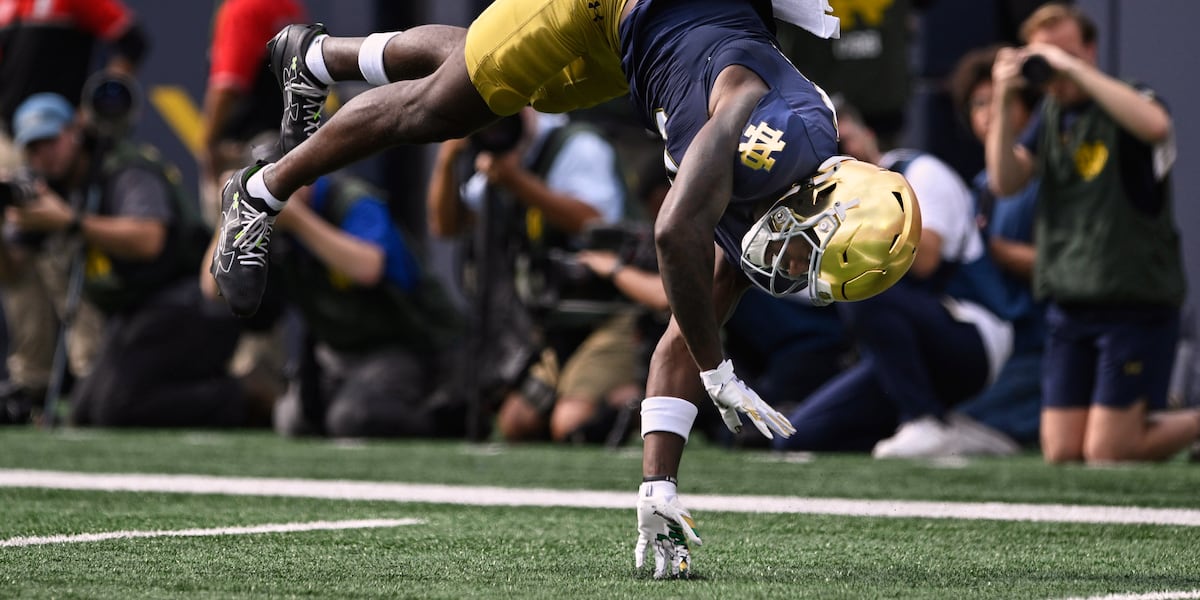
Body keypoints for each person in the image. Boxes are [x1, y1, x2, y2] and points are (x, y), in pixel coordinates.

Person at [209, 0, 920, 578]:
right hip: (609, 9)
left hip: (636, 34)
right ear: (823, 194)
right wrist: (718, 368)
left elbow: (679, 335)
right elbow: (674, 232)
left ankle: (315, 57)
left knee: (488, 72)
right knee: (442, 108)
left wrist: (658, 488)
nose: (790, 265)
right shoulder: (760, 123)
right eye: (805, 252)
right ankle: (260, 192)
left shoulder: (778, 203)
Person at [987, 3, 1199, 463]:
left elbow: (1156, 125)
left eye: (1067, 51)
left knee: (1108, 451)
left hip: (1133, 301)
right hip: (1071, 301)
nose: (1056, 67)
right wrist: (1003, 98)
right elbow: (1005, 181)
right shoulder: (1049, 116)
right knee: (1062, 451)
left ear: (1090, 49)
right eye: (1045, 56)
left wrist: (1072, 69)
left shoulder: (1129, 97)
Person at [775, 101, 1016, 458]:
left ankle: (923, 418)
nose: (843, 156)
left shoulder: (918, 172)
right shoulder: (827, 211)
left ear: (869, 135)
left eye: (845, 142)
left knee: (861, 286)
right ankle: (949, 429)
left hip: (973, 330)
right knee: (799, 437)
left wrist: (845, 234)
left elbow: (925, 259)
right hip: (904, 349)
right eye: (831, 150)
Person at [4, 93, 253, 427]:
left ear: (75, 131)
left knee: (116, 407)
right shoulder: (46, 190)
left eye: (50, 141)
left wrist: (71, 221)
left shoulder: (124, 169)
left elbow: (149, 240)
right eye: (33, 148)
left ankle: (239, 398)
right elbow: (12, 272)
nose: (43, 155)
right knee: (83, 411)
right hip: (136, 314)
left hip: (189, 302)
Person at [427, 108, 638, 444]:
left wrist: (516, 181)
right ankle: (602, 391)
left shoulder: (577, 145)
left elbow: (592, 220)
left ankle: (637, 394)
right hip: (557, 325)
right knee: (516, 423)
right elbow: (447, 226)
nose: (496, 128)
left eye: (504, 114)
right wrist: (447, 160)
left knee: (570, 423)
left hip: (613, 316)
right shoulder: (499, 158)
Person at [202, 171, 466, 438]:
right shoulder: (266, 219)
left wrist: (298, 221)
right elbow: (214, 289)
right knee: (291, 421)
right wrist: (231, 216)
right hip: (333, 353)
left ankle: (445, 418)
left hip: (398, 345)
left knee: (354, 419)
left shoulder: (350, 201)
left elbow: (369, 268)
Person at [0, 0, 148, 422]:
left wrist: (86, 117)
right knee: (23, 258)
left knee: (70, 252)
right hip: (14, 137)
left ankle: (89, 370)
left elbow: (132, 39)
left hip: (60, 140)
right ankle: (31, 381)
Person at [947, 44, 1044, 447]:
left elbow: (1078, 265)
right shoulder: (979, 185)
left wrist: (1002, 254)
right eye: (978, 104)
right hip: (995, 339)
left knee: (970, 423)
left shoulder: (1043, 176)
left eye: (1000, 100)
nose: (988, 113)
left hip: (1043, 342)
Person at [199, 0, 309, 224]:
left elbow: (227, 87)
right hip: (288, 144)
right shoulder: (289, 5)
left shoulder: (244, 8)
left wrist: (209, 144)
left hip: (246, 151)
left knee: (233, 235)